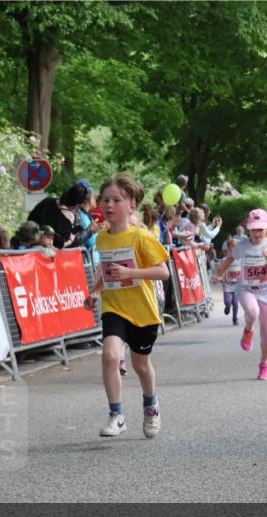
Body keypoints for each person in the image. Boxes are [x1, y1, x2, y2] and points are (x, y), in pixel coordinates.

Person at [84, 173, 170, 439]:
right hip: (114, 307)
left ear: (131, 205)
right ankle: (116, 415)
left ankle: (151, 405)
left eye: (116, 200)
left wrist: (132, 274)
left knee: (141, 366)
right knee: (110, 356)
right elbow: (106, 269)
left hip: (143, 311)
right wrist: (96, 291)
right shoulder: (102, 239)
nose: (109, 205)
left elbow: (163, 272)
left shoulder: (142, 237)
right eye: (105, 200)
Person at [216, 209, 267, 381]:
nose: (257, 233)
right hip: (245, 289)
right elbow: (230, 259)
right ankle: (249, 329)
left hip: (266, 292)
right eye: (254, 229)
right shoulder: (243, 246)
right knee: (252, 312)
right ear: (248, 230)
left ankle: (264, 364)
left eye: (261, 229)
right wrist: (220, 273)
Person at [212, 236, 242, 326]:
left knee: (235, 303)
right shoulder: (224, 260)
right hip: (228, 285)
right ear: (229, 248)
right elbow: (220, 273)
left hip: (237, 285)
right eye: (233, 246)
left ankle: (235, 319)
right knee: (228, 302)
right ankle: (227, 307)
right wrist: (218, 278)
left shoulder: (241, 260)